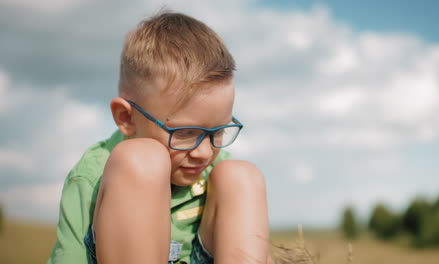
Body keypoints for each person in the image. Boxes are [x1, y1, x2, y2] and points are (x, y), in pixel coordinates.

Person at [47, 10, 271, 264]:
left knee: (242, 176)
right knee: (141, 159)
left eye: (217, 132)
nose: (205, 153)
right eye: (185, 133)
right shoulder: (93, 173)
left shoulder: (217, 171)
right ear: (126, 118)